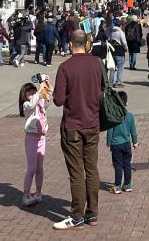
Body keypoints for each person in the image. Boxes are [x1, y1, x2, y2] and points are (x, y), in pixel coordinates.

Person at [52, 30, 105, 230]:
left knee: (76, 172)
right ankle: (92, 214)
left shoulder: (65, 67)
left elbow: (58, 100)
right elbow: (102, 89)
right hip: (93, 123)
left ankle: (76, 215)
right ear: (87, 43)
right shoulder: (96, 64)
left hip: (73, 125)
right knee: (92, 169)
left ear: (70, 44)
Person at [20, 73, 51, 206]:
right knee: (31, 168)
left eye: (33, 91)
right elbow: (32, 104)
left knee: (39, 168)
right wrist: (38, 91)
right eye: (29, 92)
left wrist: (47, 87)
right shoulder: (27, 105)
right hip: (31, 139)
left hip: (42, 138)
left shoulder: (40, 103)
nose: (33, 94)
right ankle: (26, 194)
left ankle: (38, 192)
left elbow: (50, 99)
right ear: (24, 95)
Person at [106, 89, 138, 193]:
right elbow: (133, 131)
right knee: (127, 164)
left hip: (116, 144)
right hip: (126, 144)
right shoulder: (130, 116)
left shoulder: (113, 116)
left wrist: (109, 142)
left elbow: (110, 131)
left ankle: (118, 186)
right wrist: (135, 142)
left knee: (118, 165)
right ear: (126, 103)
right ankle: (128, 184)